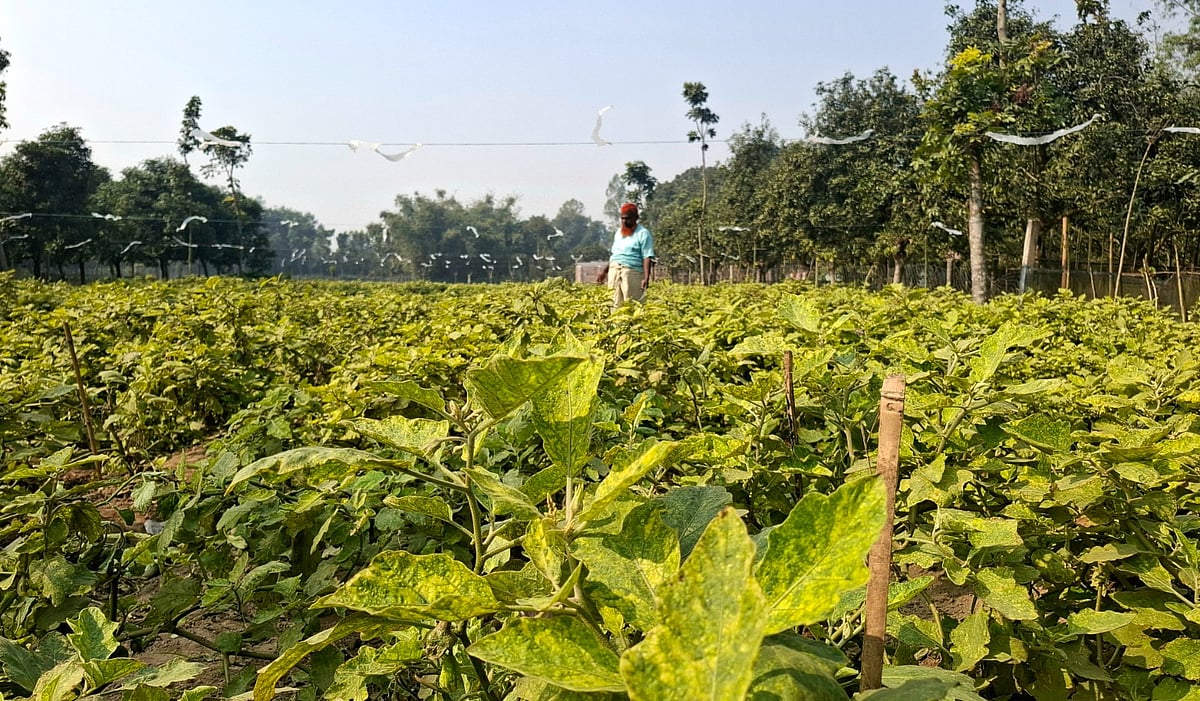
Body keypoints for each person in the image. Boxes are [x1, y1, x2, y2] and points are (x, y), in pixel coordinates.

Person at [600, 203, 656, 307]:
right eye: (622, 219)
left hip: (632, 272)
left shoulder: (643, 234)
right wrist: (604, 272)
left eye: (628, 219)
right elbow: (615, 255)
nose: (624, 221)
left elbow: (647, 256)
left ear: (636, 218)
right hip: (615, 271)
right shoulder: (618, 233)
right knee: (614, 304)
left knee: (632, 305)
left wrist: (646, 277)